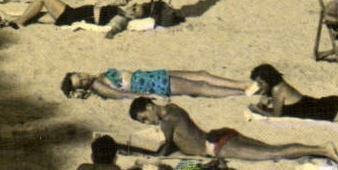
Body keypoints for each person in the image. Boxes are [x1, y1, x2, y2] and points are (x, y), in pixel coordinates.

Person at [126, 99, 334, 162]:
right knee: (272, 149)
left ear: (150, 107)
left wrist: (151, 158)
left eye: (145, 118)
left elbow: (167, 146)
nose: (147, 122)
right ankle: (310, 153)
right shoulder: (172, 107)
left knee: (273, 152)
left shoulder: (166, 121)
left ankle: (323, 149)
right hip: (221, 135)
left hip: (217, 146)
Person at [62, 69, 252, 101]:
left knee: (201, 75)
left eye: (80, 75)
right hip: (154, 85)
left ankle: (242, 84)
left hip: (151, 75)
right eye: (81, 82)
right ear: (82, 89)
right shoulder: (99, 86)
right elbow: (123, 95)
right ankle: (243, 92)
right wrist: (151, 96)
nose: (84, 77)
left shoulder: (98, 77)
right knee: (200, 87)